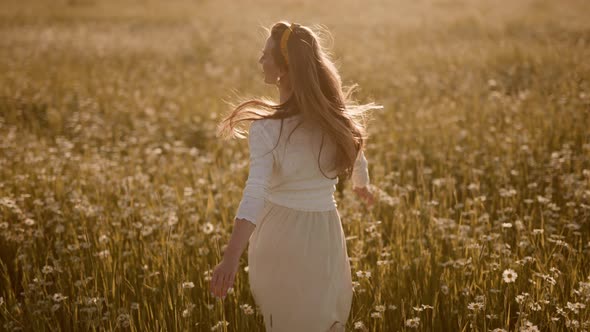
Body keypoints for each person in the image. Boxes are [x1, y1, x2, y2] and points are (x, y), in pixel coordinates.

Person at [211, 21, 381, 331]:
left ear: (283, 70)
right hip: (325, 235)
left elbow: (255, 193)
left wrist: (231, 257)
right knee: (324, 321)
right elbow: (357, 151)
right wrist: (361, 184)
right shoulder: (334, 122)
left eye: (266, 56)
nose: (260, 61)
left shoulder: (267, 130)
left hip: (281, 235)